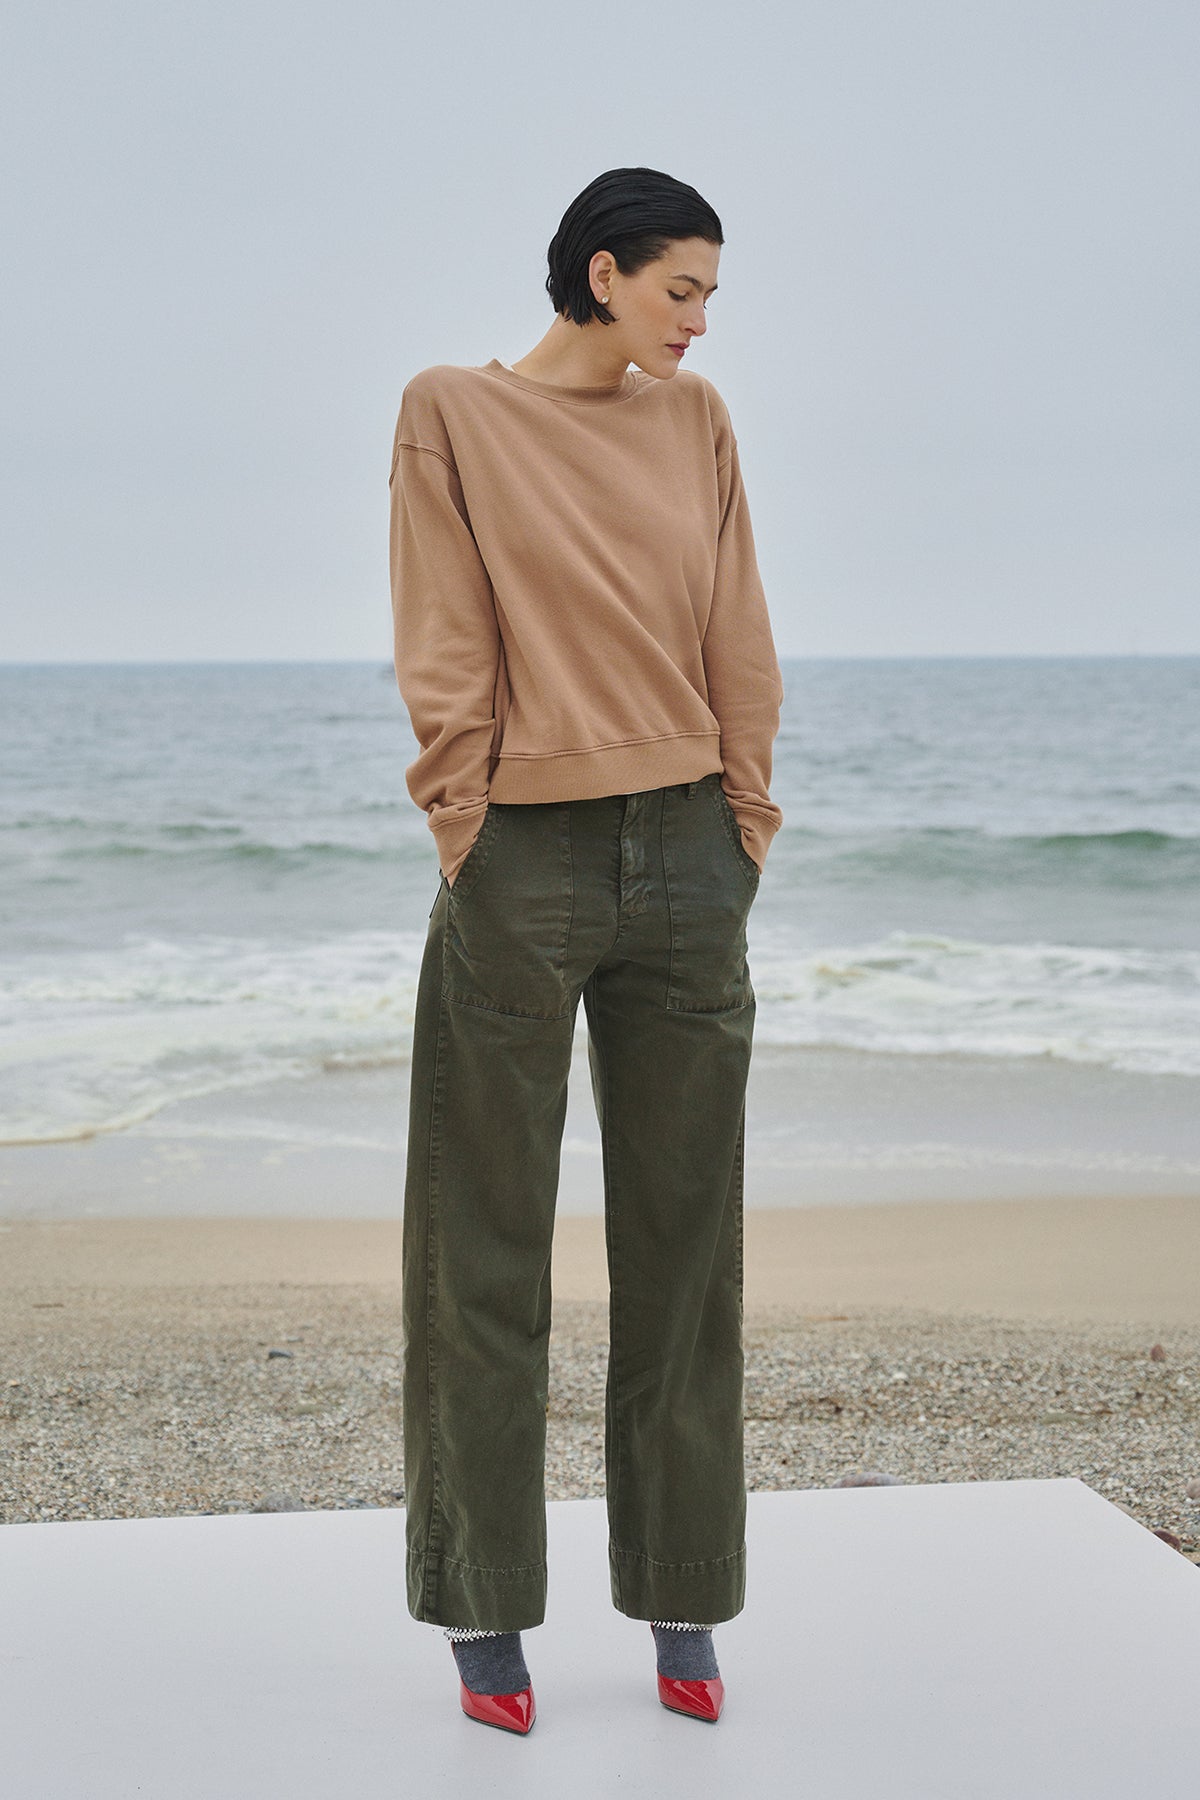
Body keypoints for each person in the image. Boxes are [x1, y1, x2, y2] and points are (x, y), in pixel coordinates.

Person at [388, 166, 784, 1734]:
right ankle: (486, 1613)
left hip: (692, 851)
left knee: (688, 1253)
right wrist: (466, 822)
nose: (698, 321)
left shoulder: (698, 422)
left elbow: (735, 624)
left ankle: (681, 1591)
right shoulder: (452, 412)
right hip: (524, 859)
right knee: (480, 1251)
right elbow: (443, 629)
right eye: (681, 288)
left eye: (708, 297)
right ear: (605, 273)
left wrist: (745, 816)